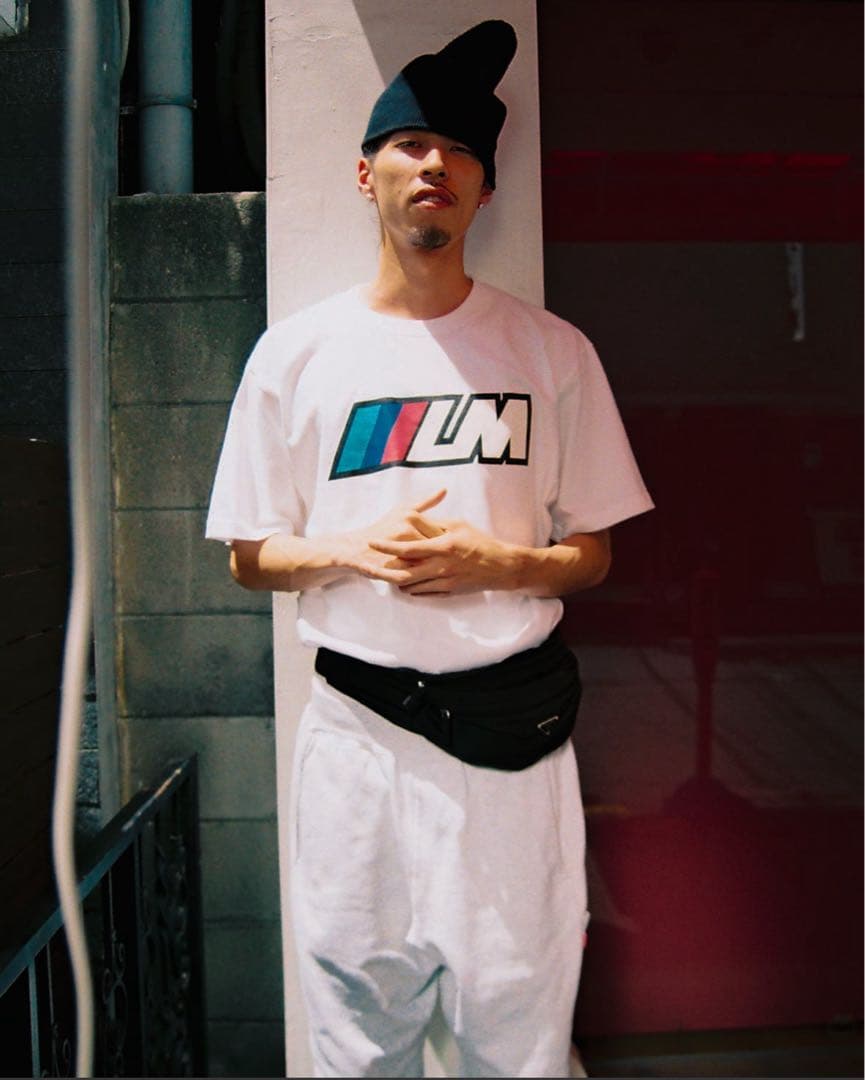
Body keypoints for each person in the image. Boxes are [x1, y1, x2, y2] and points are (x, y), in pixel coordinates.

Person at [206, 19, 653, 1079]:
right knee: (358, 1036)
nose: (434, 167)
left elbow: (593, 552)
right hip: (357, 739)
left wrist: (503, 565)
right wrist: (351, 550)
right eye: (410, 145)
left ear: (484, 190)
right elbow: (248, 557)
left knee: (518, 1029)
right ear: (366, 174)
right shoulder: (295, 355)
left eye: (458, 153)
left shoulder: (551, 352)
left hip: (511, 739)